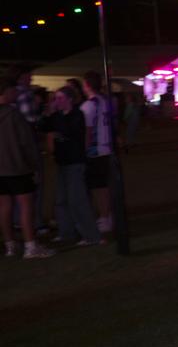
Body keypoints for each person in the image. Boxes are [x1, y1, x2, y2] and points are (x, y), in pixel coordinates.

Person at [0, 77, 54, 259]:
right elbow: (27, 143)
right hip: (17, 167)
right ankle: (30, 245)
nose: (16, 94)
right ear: (6, 93)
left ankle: (10, 245)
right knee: (25, 206)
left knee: (4, 207)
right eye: (13, 91)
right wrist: (34, 165)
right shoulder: (14, 115)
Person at [42, 86, 103, 246]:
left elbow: (70, 132)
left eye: (60, 98)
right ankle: (66, 232)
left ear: (70, 99)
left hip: (75, 162)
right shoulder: (57, 116)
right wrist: (48, 114)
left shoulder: (77, 115)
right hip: (62, 162)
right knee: (61, 200)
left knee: (77, 200)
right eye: (56, 98)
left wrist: (58, 131)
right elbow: (43, 126)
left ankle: (91, 236)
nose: (57, 101)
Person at [80, 71, 114, 233]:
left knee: (98, 187)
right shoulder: (105, 101)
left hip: (95, 151)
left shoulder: (89, 105)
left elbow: (87, 130)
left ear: (86, 85)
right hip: (106, 148)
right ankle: (107, 216)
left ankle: (104, 217)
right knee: (104, 186)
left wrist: (83, 150)